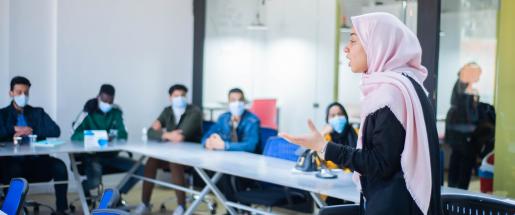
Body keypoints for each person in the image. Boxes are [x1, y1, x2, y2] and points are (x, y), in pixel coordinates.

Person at [281, 13, 442, 215]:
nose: (346, 49)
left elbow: (380, 163)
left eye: (354, 40)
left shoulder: (390, 94)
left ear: (378, 44)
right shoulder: (408, 86)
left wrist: (323, 147)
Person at [0, 76, 69, 214]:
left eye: (26, 93)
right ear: (11, 93)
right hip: (13, 163)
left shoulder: (38, 112)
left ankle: (62, 210)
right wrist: (14, 129)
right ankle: (11, 210)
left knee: (60, 166)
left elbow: (55, 130)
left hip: (37, 162)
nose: (23, 96)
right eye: (19, 92)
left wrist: (32, 130)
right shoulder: (2, 114)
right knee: (12, 171)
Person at [134, 84, 202, 215]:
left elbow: (180, 137)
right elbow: (149, 132)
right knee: (151, 161)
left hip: (192, 156)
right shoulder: (167, 111)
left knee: (174, 161)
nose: (180, 98)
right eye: (176, 96)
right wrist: (168, 135)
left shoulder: (195, 112)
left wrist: (163, 133)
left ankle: (182, 207)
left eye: (183, 95)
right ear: (170, 97)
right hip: (172, 152)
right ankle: (145, 204)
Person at [71, 84, 143, 201]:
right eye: (104, 100)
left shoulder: (116, 111)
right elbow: (74, 136)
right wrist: (98, 136)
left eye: (110, 101)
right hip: (92, 157)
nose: (107, 104)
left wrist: (112, 136)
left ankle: (116, 195)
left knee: (141, 169)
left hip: (111, 156)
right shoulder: (88, 111)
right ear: (98, 97)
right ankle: (85, 186)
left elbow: (123, 134)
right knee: (94, 182)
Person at [201, 88, 260, 205]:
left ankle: (241, 210)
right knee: (222, 174)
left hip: (247, 164)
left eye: (240, 100)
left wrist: (224, 145)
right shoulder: (224, 118)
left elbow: (250, 146)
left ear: (244, 102)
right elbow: (206, 136)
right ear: (228, 103)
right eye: (233, 100)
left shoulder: (253, 120)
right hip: (227, 161)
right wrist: (208, 142)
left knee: (231, 176)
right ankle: (231, 209)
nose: (237, 103)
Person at [446, 63, 495, 189]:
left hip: (462, 132)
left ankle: (456, 190)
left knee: (459, 161)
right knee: (462, 162)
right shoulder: (462, 86)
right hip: (462, 132)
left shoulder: (463, 87)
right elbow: (469, 114)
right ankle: (458, 191)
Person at [320, 102, 358, 205]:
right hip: (332, 186)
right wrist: (322, 134)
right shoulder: (325, 137)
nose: (337, 117)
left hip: (354, 184)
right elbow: (316, 160)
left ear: (345, 116)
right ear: (327, 120)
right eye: (332, 115)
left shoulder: (356, 133)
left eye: (340, 114)